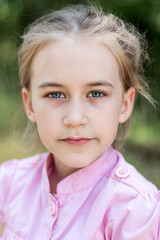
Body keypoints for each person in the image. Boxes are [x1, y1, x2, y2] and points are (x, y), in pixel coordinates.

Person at [0, 4, 160, 240]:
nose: (75, 119)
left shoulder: (135, 211)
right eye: (55, 94)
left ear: (125, 104)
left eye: (96, 94)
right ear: (30, 104)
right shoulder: (10, 182)